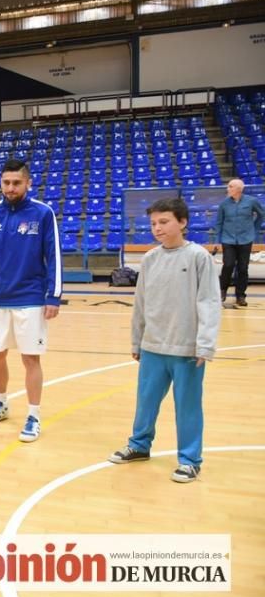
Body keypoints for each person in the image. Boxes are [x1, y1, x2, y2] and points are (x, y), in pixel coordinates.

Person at [109, 198, 221, 483]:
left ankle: (190, 459)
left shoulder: (198, 257)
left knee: (188, 405)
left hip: (186, 348)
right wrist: (137, 341)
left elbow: (208, 301)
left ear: (182, 222)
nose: (157, 228)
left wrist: (205, 344)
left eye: (164, 222)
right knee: (145, 401)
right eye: (153, 224)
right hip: (152, 346)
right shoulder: (150, 259)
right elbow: (141, 304)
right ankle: (139, 445)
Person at [0, 159, 62, 443]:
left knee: (30, 358)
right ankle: (1, 402)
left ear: (28, 183)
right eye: (6, 182)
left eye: (16, 183)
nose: (10, 188)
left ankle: (34, 414)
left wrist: (54, 295)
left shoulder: (43, 213)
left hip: (32, 298)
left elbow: (54, 256)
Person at [216, 178, 264, 307]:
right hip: (228, 239)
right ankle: (222, 291)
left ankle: (240, 295)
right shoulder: (224, 204)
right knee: (228, 265)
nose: (228, 189)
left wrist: (254, 229)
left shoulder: (251, 201)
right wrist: (216, 240)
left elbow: (261, 215)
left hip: (245, 239)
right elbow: (219, 222)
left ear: (239, 189)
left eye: (230, 186)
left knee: (243, 268)